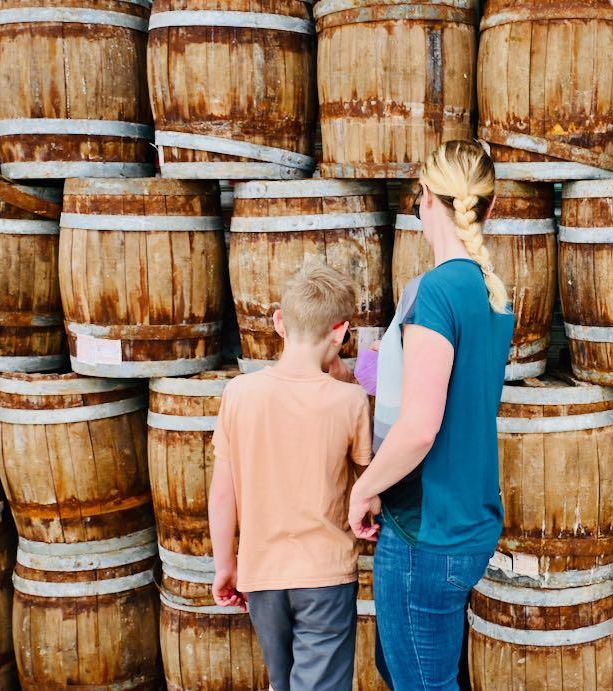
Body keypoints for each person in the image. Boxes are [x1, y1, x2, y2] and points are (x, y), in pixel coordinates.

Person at [345, 140, 515, 690]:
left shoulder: (437, 291)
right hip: (469, 520)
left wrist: (364, 487)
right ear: (488, 208)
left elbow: (419, 427)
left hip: (426, 530)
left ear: (424, 201)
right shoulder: (493, 294)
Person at [208, 264, 372, 691]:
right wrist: (349, 379)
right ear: (340, 333)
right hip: (325, 576)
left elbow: (223, 494)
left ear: (279, 321)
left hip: (261, 575)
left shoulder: (238, 394)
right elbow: (367, 484)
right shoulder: (350, 400)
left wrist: (226, 566)